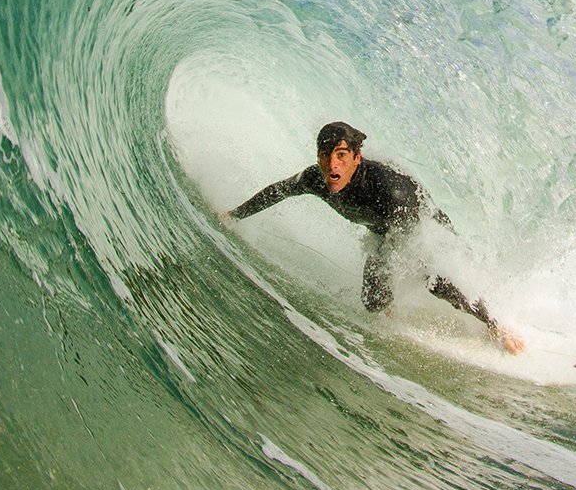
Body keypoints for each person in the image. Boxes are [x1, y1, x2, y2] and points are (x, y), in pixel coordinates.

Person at [219, 121, 525, 354]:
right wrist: (233, 215)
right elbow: (278, 191)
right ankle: (391, 309)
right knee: (373, 302)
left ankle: (495, 324)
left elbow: (411, 245)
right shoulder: (316, 178)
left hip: (422, 223)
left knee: (431, 278)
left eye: (341, 156)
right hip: (385, 229)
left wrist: (390, 268)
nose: (332, 166)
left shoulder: (388, 191)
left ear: (356, 157)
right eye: (325, 156)